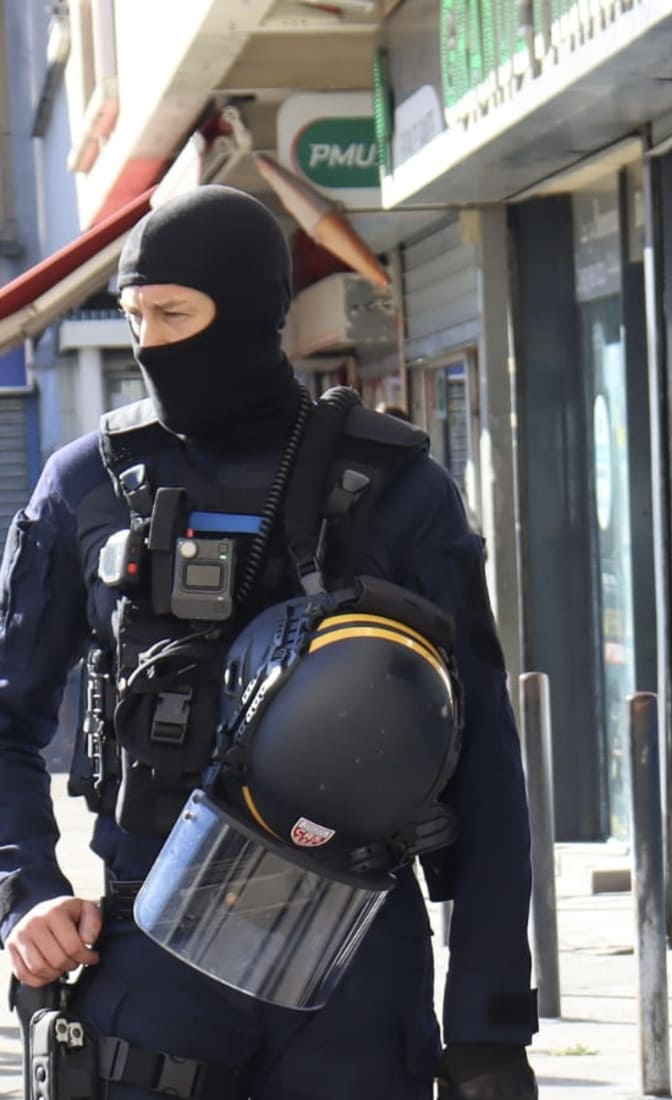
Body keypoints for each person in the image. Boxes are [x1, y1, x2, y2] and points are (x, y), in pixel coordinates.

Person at [0, 186, 537, 1099]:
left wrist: (488, 1025)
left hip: (357, 960)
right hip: (151, 952)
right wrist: (27, 892)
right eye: (135, 316)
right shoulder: (86, 486)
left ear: (252, 314)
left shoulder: (399, 490)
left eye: (175, 313)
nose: (149, 343)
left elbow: (484, 755)